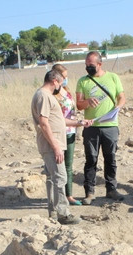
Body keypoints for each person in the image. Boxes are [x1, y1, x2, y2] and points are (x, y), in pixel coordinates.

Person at [30, 69, 92, 225]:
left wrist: (79, 122)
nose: (62, 84)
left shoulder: (46, 96)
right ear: (54, 81)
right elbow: (44, 123)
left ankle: (53, 211)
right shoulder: (44, 96)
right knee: (60, 177)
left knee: (52, 177)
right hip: (52, 144)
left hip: (53, 143)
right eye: (61, 81)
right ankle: (63, 214)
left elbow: (58, 120)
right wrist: (56, 147)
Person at [76, 51, 126, 205]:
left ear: (99, 64)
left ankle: (111, 189)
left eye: (90, 65)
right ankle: (89, 192)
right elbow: (78, 105)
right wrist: (87, 102)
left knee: (110, 157)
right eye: (86, 65)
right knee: (91, 159)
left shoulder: (113, 77)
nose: (87, 67)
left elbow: (121, 96)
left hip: (110, 125)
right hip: (91, 127)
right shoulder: (83, 81)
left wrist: (118, 107)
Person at [51, 64, 81, 206]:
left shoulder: (67, 91)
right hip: (59, 133)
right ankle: (58, 198)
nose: (66, 79)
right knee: (58, 167)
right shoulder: (52, 94)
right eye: (64, 76)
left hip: (70, 132)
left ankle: (69, 195)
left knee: (68, 165)